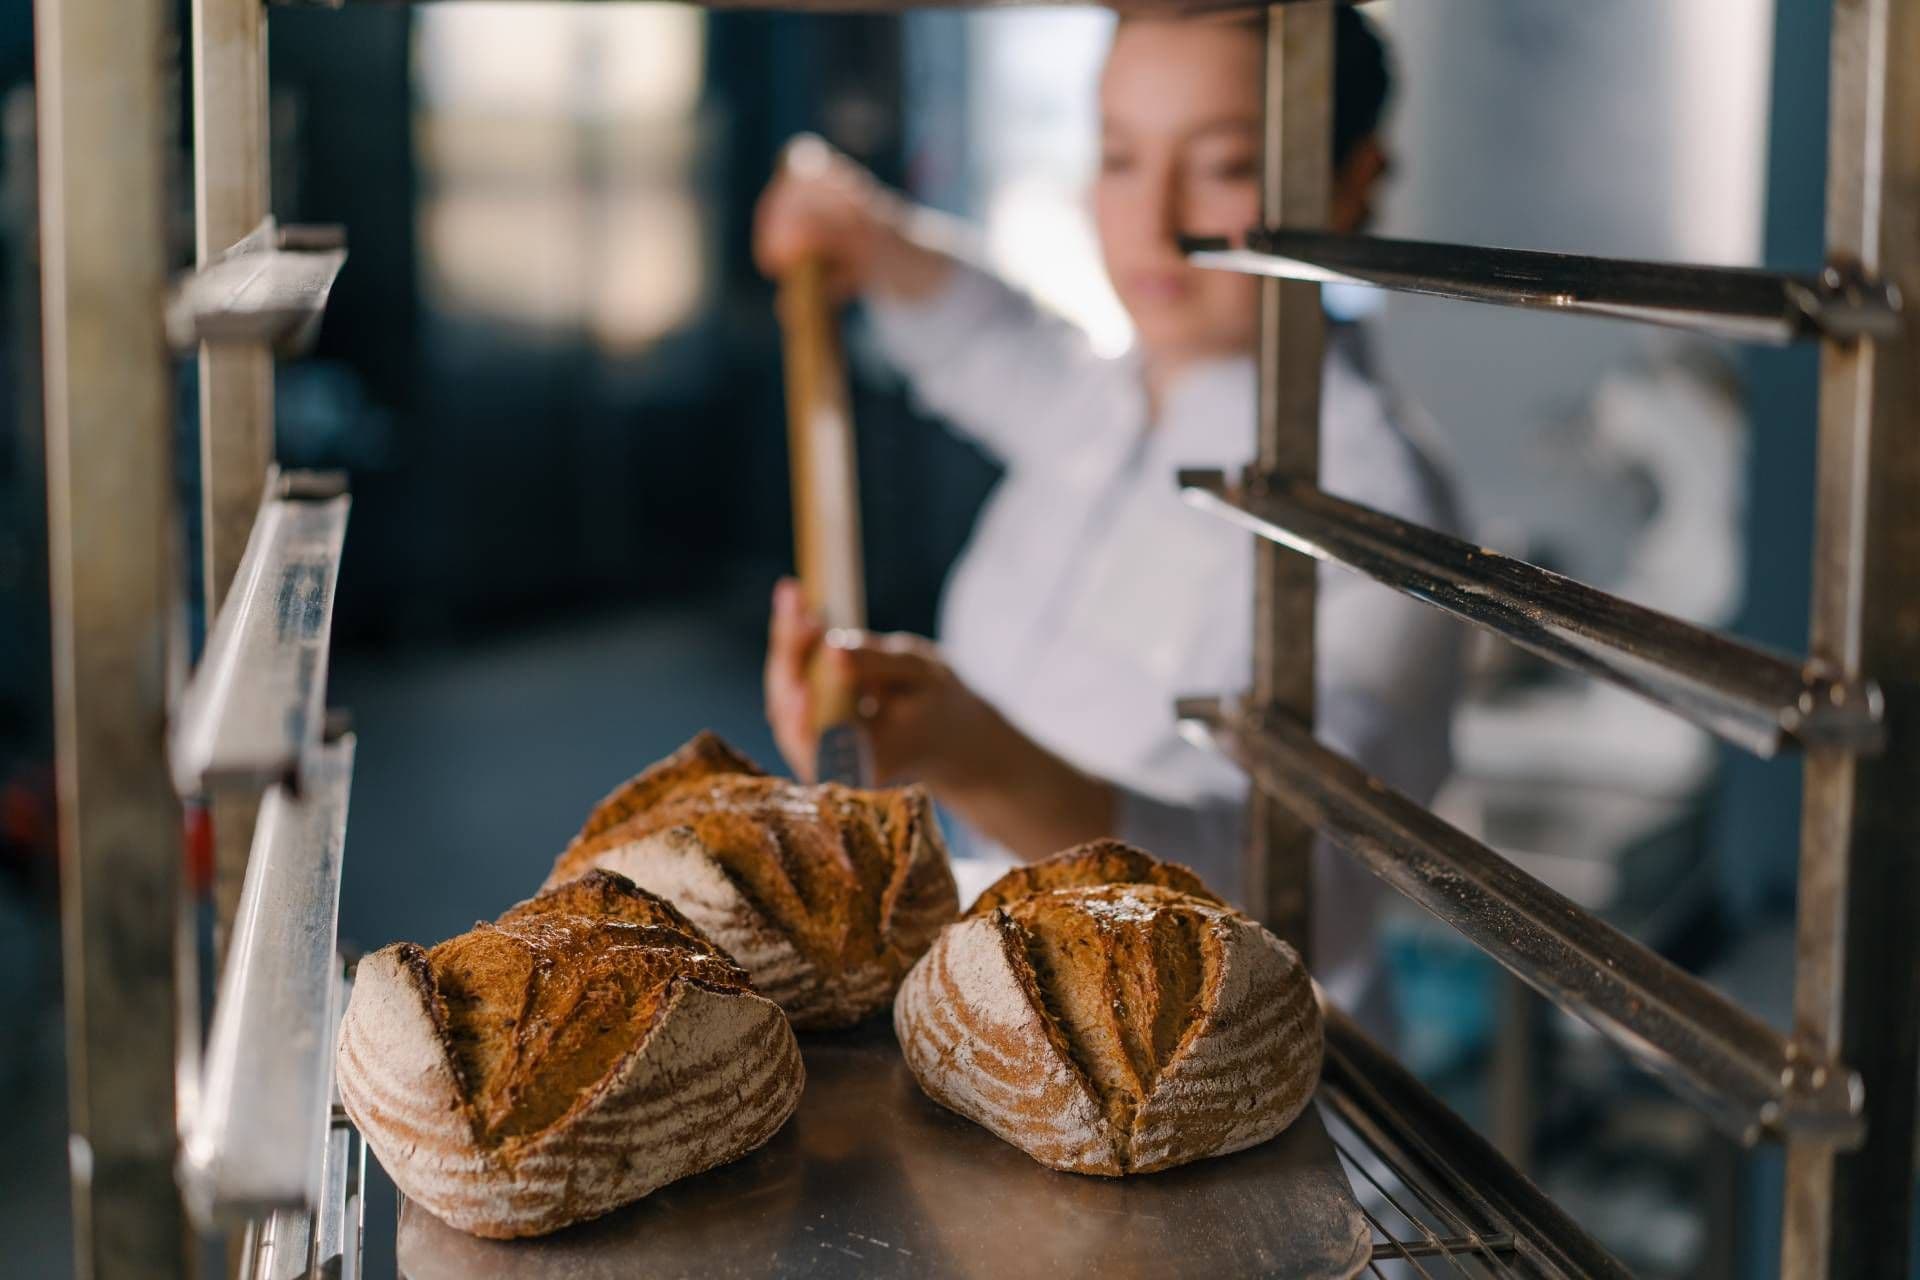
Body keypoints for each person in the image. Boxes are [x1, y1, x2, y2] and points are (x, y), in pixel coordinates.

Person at [757, 10, 1459, 1025]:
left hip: (1209, 1076)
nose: (1152, 217)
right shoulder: (1116, 395)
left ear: (1354, 180)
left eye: (1222, 164)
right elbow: (986, 341)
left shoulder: (1377, 507)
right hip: (996, 1011)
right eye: (1119, 156)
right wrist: (857, 223)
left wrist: (974, 754)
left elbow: (1297, 893)